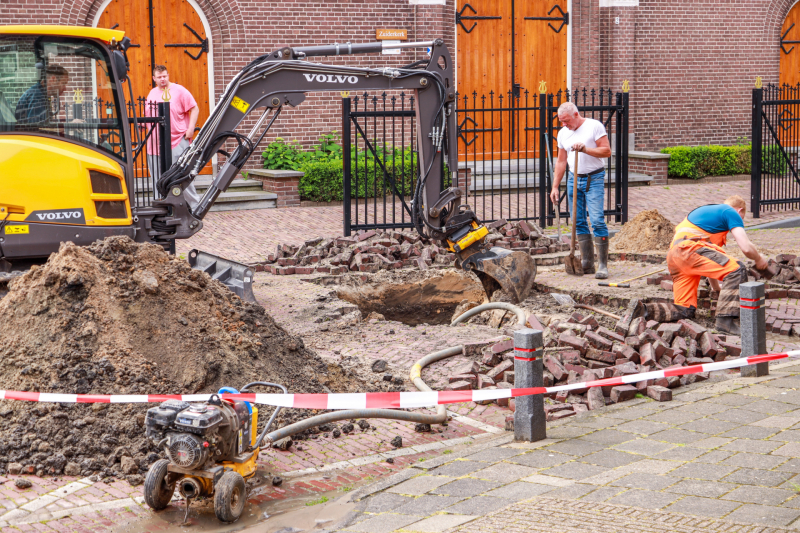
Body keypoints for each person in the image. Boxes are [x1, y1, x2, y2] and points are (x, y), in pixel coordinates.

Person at [655, 196, 768, 335]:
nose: (739, 221)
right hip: (690, 249)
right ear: (739, 210)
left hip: (675, 256)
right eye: (742, 217)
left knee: (684, 309)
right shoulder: (730, 212)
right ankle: (725, 323)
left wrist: (716, 288)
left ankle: (643, 311)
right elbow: (746, 248)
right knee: (737, 269)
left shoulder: (707, 219)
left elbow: (712, 264)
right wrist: (758, 259)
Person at [549, 101, 613, 278]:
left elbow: (606, 151)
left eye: (567, 121)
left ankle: (602, 265)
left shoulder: (594, 126)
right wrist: (555, 186)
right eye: (561, 121)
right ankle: (587, 262)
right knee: (577, 221)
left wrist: (586, 149)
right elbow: (561, 161)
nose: (564, 125)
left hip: (595, 178)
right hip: (573, 179)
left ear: (576, 115)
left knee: (597, 220)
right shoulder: (563, 133)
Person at [145, 65, 200, 207]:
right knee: (158, 176)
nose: (162, 79)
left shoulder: (180, 90)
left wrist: (191, 128)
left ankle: (194, 206)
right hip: (155, 142)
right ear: (154, 78)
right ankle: (161, 205)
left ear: (168, 75)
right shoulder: (152, 93)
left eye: (164, 76)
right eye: (159, 77)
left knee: (181, 174)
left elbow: (194, 108)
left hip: (176, 139)